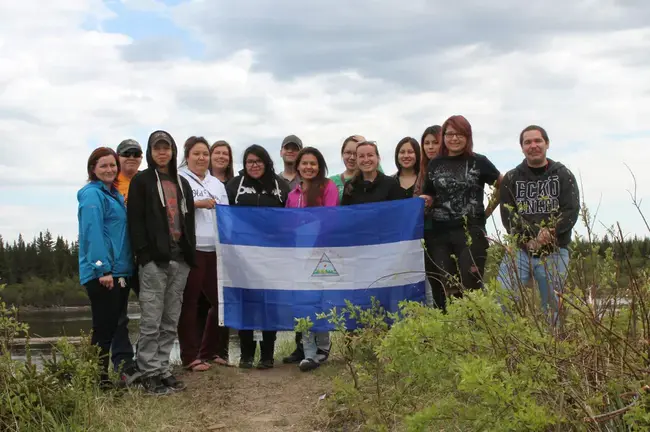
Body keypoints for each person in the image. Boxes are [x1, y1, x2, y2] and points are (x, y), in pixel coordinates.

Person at [127, 130, 196, 395]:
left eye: (166, 148)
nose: (162, 152)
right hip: (154, 262)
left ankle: (163, 368)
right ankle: (149, 372)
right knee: (151, 320)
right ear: (151, 152)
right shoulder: (142, 181)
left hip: (180, 260)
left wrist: (189, 257)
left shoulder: (182, 183)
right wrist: (144, 255)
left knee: (170, 320)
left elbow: (187, 221)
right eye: (157, 148)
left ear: (173, 151)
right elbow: (135, 221)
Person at [497, 125, 580, 325]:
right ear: (522, 147)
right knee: (502, 297)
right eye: (528, 142)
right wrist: (533, 236)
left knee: (552, 306)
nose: (533, 146)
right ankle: (508, 345)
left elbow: (571, 210)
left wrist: (550, 232)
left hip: (555, 250)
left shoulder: (563, 174)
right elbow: (509, 216)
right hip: (521, 250)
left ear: (547, 144)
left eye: (538, 141)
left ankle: (553, 349)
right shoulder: (511, 178)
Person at [419, 115, 502, 311]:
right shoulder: (435, 164)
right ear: (444, 136)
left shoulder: (479, 162)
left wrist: (488, 211)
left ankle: (476, 335)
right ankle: (458, 336)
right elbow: (429, 193)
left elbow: (502, 184)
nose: (454, 138)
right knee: (450, 289)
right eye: (449, 134)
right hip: (440, 236)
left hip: (470, 233)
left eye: (459, 134)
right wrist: (426, 200)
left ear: (467, 136)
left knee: (471, 286)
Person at [225, 144, 291, 369]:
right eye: (249, 162)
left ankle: (267, 354)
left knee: (268, 304)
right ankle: (246, 354)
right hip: (242, 256)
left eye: (258, 161)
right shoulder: (235, 185)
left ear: (266, 162)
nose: (254, 165)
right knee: (246, 303)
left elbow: (289, 218)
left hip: (272, 256)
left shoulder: (280, 186)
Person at [77, 147, 134, 388]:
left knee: (112, 326)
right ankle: (98, 380)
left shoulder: (113, 194)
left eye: (112, 165)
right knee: (103, 328)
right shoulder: (92, 195)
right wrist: (103, 270)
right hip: (103, 274)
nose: (109, 169)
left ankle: (105, 377)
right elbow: (92, 233)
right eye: (103, 166)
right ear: (93, 169)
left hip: (119, 271)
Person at [178, 137, 231, 371]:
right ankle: (189, 357)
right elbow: (175, 208)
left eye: (204, 154)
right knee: (189, 303)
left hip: (216, 249)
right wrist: (198, 203)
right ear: (187, 156)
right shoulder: (180, 178)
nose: (201, 158)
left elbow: (227, 213)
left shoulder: (216, 183)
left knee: (220, 302)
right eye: (196, 154)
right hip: (192, 248)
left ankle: (208, 351)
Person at [285, 147, 339, 372]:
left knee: (321, 299)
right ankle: (307, 352)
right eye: (304, 163)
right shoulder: (292, 194)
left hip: (322, 254)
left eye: (313, 163)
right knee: (302, 301)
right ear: (297, 166)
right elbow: (287, 224)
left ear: (320, 166)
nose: (308, 167)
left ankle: (323, 347)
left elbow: (330, 217)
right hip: (299, 255)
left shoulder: (328, 187)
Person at [110, 138, 142, 382]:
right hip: (117, 260)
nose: (131, 157)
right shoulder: (108, 185)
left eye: (136, 153)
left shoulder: (145, 181)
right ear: (118, 157)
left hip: (144, 258)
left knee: (154, 311)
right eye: (126, 153)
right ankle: (123, 365)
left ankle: (146, 359)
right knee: (118, 316)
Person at [414, 126, 443, 309]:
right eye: (426, 143)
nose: (430, 147)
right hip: (427, 235)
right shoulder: (422, 172)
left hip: (450, 233)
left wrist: (486, 213)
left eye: (435, 142)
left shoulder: (450, 168)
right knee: (434, 284)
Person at [341, 141, 405, 205]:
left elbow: (399, 211)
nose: (366, 160)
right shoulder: (350, 186)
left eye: (370, 155)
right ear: (357, 160)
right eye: (361, 156)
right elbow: (345, 212)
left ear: (378, 158)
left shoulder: (391, 184)